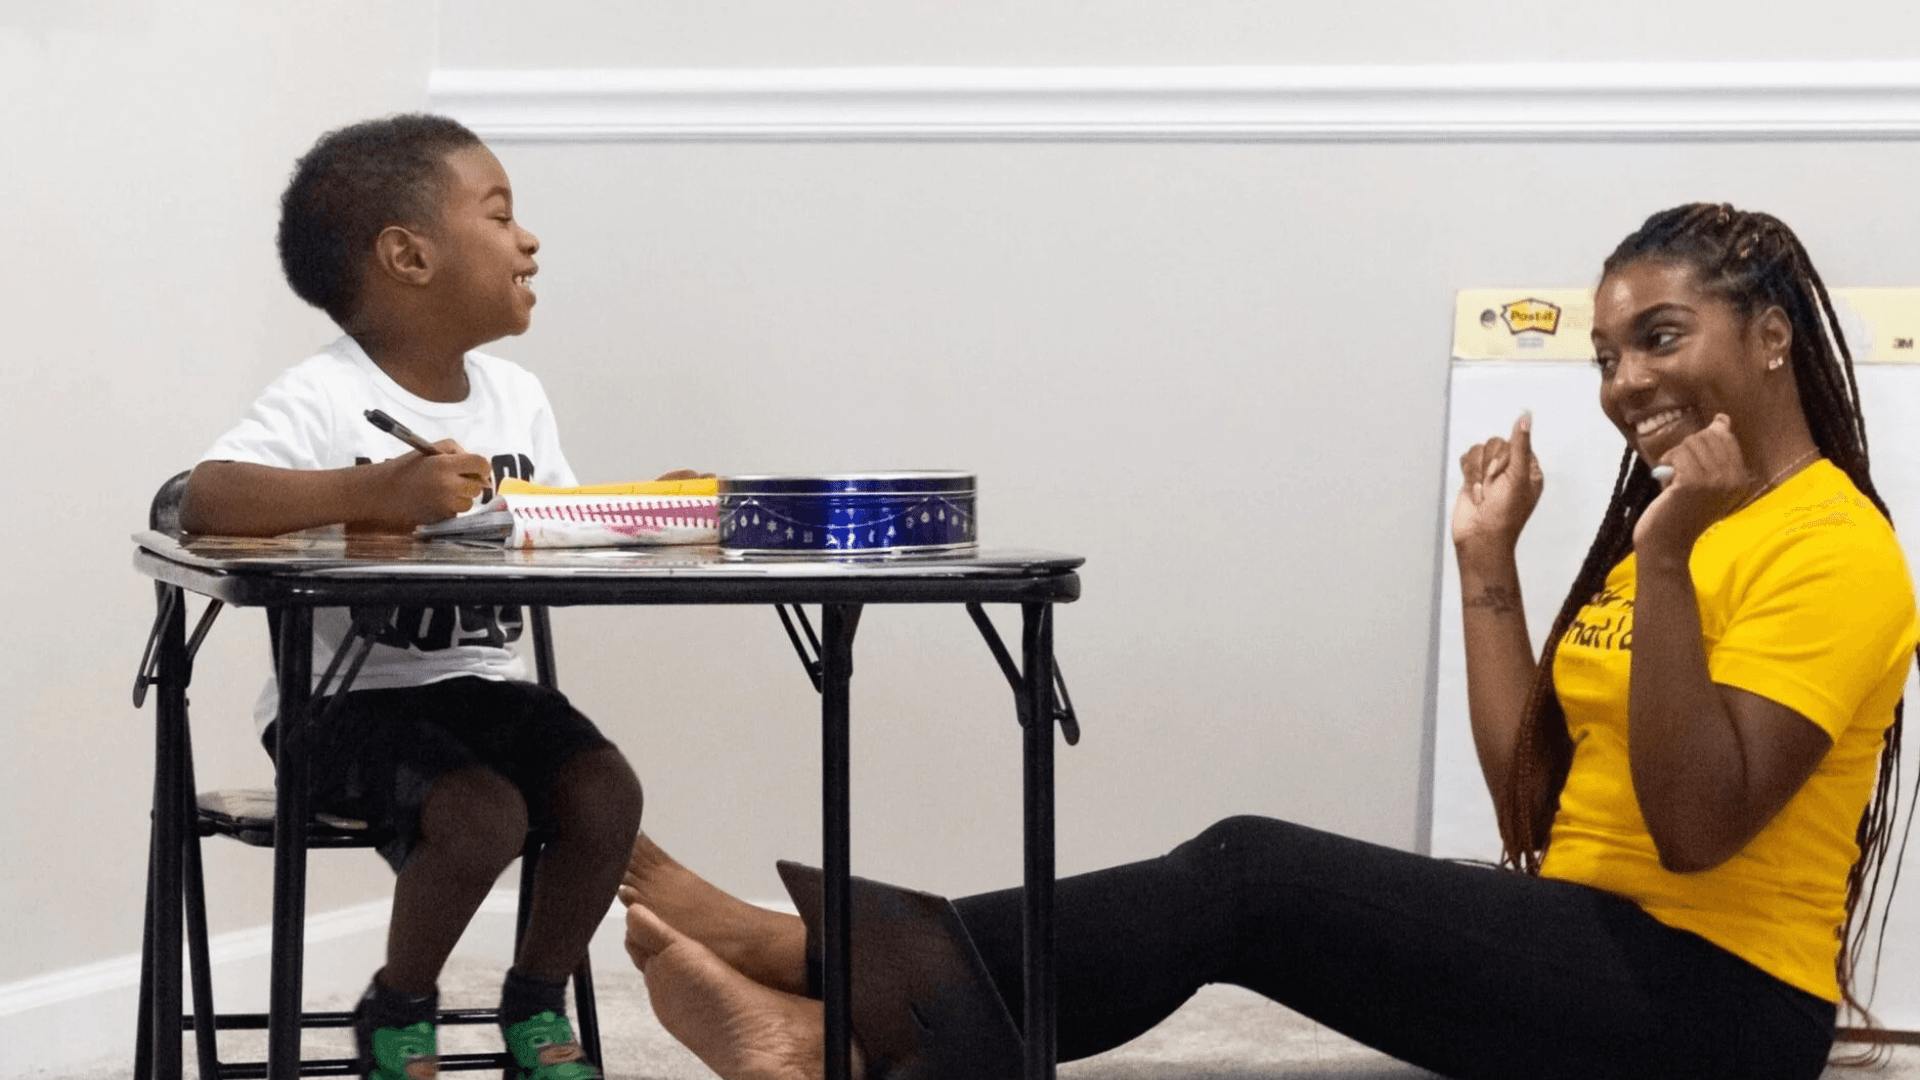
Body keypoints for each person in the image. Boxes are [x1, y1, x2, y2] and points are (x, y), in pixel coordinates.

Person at [611, 203, 1918, 1080]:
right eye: (1609, 351)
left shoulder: (1829, 548)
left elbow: (1699, 835)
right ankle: (831, 1023)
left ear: (1771, 333)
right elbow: (1537, 802)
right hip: (1594, 939)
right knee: (1255, 891)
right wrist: (1486, 568)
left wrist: (1675, 563)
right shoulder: (1682, 525)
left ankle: (822, 983)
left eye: (1660, 338)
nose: (1625, 381)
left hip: (1718, 1013)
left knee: (1251, 876)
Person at [182, 114, 684, 1080]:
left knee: (604, 791)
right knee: (482, 816)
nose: (528, 239)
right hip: (340, 707)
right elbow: (207, 496)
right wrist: (372, 492)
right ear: (409, 255)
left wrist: (647, 512)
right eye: (500, 216)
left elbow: (555, 525)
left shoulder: (516, 395)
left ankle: (535, 1008)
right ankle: (397, 1008)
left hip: (479, 689)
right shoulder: (324, 396)